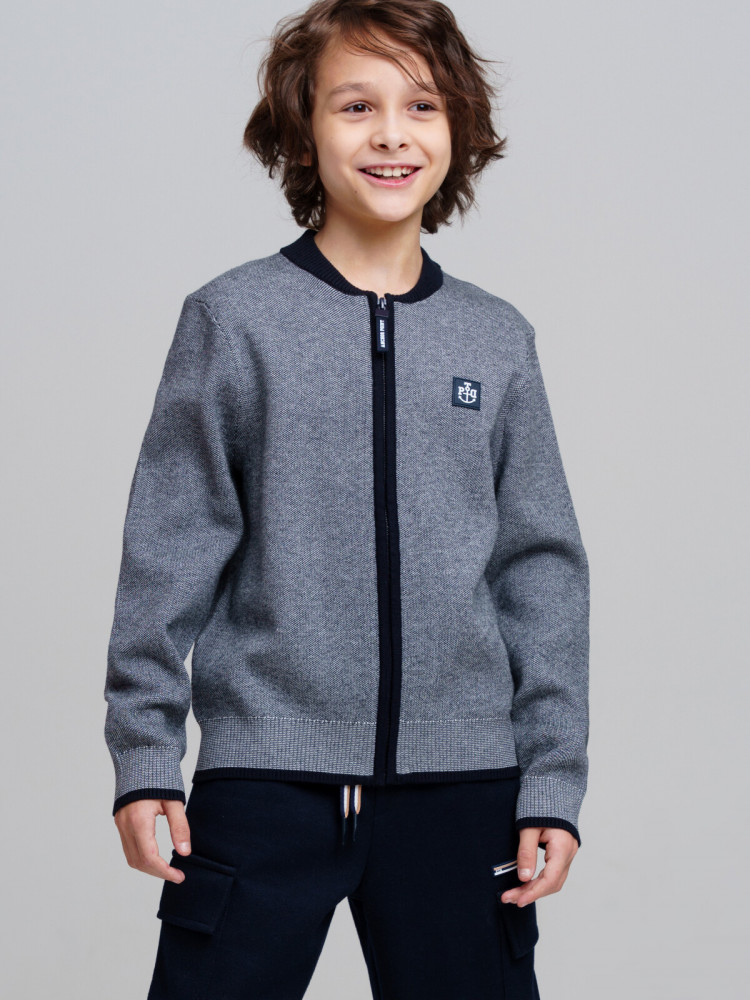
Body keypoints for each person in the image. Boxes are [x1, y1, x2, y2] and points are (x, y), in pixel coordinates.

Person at [103, 1, 590, 997]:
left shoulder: (497, 339)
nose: (390, 134)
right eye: (355, 105)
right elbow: (168, 549)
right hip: (264, 781)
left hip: (464, 789)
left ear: (458, 131)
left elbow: (540, 571)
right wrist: (146, 756)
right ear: (301, 132)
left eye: (422, 105)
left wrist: (550, 779)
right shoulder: (234, 319)